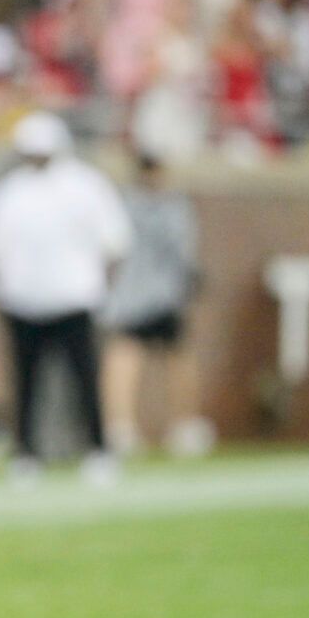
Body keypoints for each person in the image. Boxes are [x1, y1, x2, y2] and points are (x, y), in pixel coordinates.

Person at [0, 112, 130, 485]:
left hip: (75, 298)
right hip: (22, 301)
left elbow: (115, 244)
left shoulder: (87, 185)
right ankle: (26, 454)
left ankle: (98, 449)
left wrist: (101, 290)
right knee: (26, 384)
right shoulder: (10, 191)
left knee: (85, 380)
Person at [103, 150, 207, 456]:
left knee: (164, 358)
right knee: (143, 358)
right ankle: (132, 426)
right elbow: (183, 251)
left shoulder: (125, 203)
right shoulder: (171, 207)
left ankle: (156, 425)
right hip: (158, 294)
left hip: (134, 294)